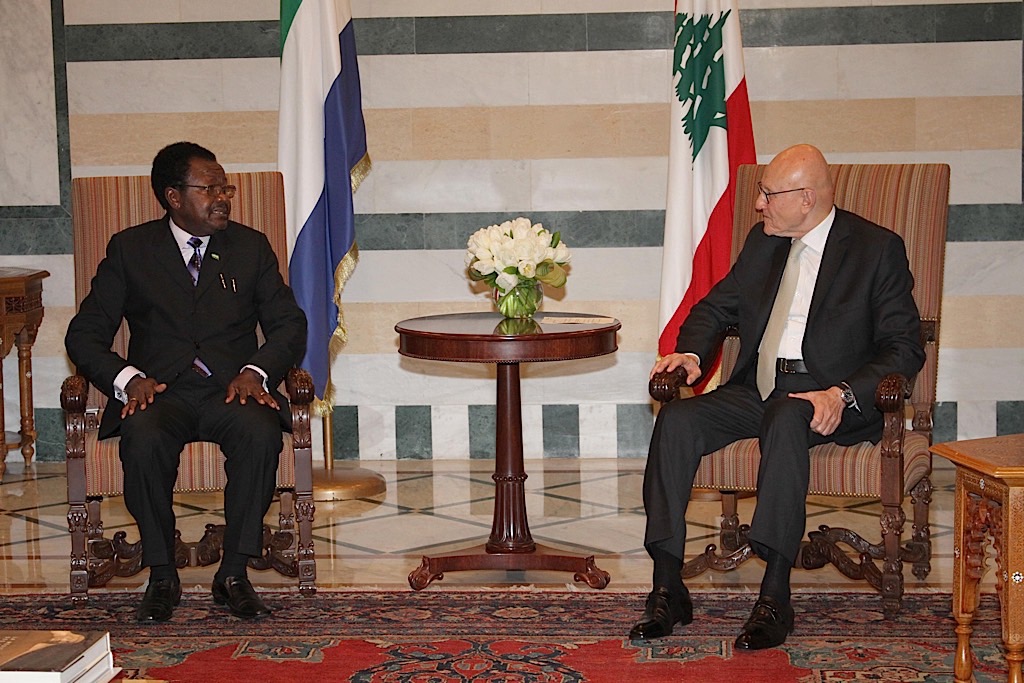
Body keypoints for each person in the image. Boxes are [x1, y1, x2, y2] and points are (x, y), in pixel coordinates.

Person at [630, 144, 925, 649]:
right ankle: (666, 585)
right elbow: (715, 307)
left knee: (788, 417)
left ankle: (774, 596)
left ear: (806, 198)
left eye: (769, 194)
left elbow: (904, 346)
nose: (759, 204)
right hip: (759, 389)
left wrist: (842, 393)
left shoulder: (875, 249)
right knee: (676, 421)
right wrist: (692, 355)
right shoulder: (763, 242)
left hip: (828, 398)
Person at [65, 141, 307, 622]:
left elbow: (289, 324)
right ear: (173, 196)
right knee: (143, 438)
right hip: (160, 393)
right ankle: (162, 575)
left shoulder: (250, 246)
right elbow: (84, 334)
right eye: (209, 189)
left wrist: (256, 372)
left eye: (225, 189)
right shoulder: (131, 249)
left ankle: (233, 575)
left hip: (231, 390)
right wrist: (128, 378)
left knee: (260, 434)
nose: (222, 198)